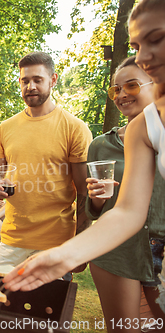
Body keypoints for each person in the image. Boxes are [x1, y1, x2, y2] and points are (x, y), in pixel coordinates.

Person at [3, 0, 165, 293]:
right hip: (115, 252)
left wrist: (69, 245)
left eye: (156, 40)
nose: (143, 57)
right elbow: (125, 211)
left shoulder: (75, 127)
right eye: (137, 46)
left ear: (52, 80)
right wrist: (68, 253)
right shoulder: (134, 133)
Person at [0, 51, 93, 278]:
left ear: (53, 80)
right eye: (25, 81)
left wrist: (80, 246)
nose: (30, 86)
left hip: (55, 244)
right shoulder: (6, 128)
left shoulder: (74, 128)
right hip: (11, 241)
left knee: (48, 312)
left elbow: (84, 192)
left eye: (38, 80)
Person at [85, 56, 165, 332]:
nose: (121, 95)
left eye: (131, 85)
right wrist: (96, 198)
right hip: (115, 252)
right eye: (115, 89)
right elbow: (93, 210)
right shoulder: (100, 146)